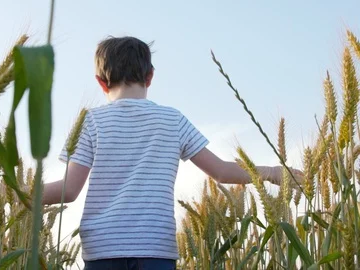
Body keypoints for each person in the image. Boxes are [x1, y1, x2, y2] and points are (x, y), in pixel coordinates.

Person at [42, 36, 302, 270]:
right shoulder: (172, 120)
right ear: (150, 77)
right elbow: (222, 172)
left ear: (100, 82)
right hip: (156, 247)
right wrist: (271, 172)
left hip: (102, 250)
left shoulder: (90, 122)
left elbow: (68, 190)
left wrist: (14, 191)